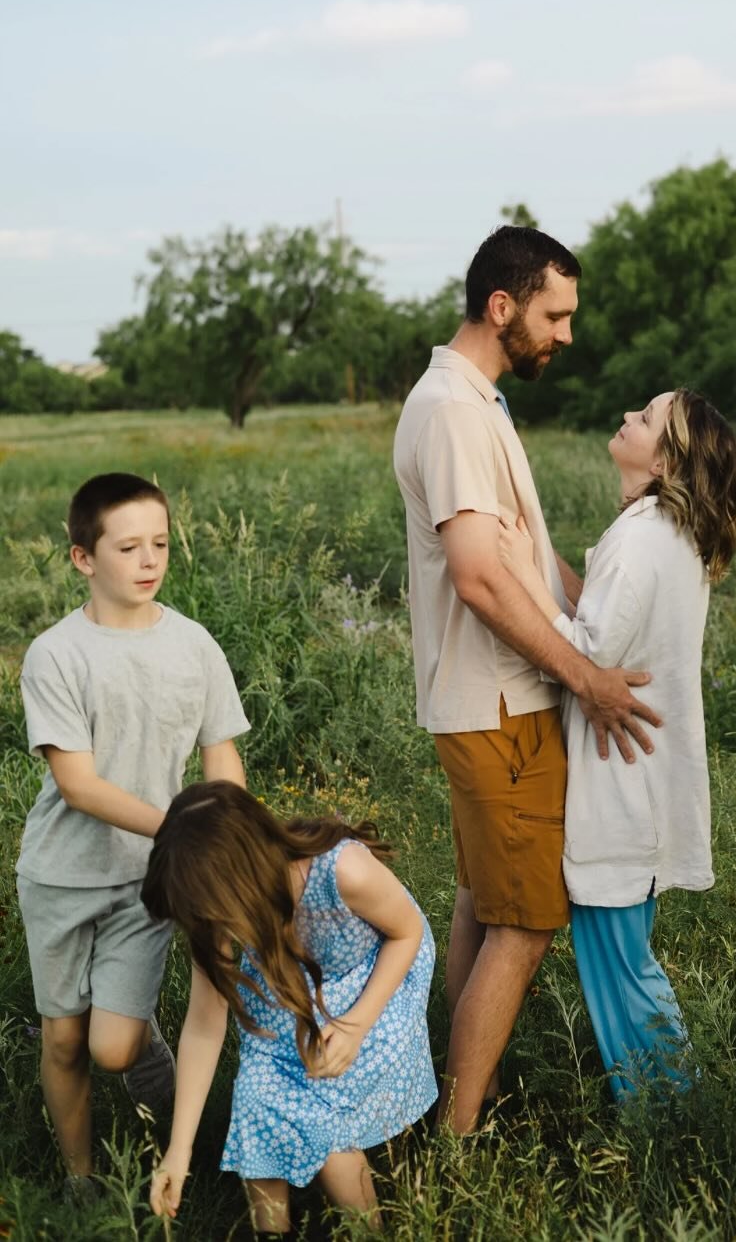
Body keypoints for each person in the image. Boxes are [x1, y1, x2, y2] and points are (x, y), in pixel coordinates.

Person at [392, 224, 662, 1132]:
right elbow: (475, 577)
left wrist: (623, 608)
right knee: (526, 922)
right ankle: (457, 1138)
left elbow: (526, 572)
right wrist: (585, 676)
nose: (567, 335)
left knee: (485, 902)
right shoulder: (457, 413)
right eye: (556, 315)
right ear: (502, 306)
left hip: (499, 700)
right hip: (497, 704)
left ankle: (459, 1096)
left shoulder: (478, 403)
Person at [498, 388, 736, 1098]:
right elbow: (593, 608)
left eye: (646, 417)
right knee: (628, 960)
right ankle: (670, 1109)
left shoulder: (642, 538)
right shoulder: (658, 529)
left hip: (621, 781)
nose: (629, 415)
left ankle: (673, 1118)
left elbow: (588, 650)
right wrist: (538, 561)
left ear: (665, 455)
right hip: (643, 781)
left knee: (623, 971)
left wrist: (516, 571)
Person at [15, 472, 249, 1197]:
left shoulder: (194, 644)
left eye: (160, 544)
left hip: (149, 878)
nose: (150, 561)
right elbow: (78, 785)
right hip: (60, 876)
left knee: (112, 1048)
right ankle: (84, 1181)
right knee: (63, 1040)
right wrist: (184, 825)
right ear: (84, 557)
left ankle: (180, 1145)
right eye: (128, 547)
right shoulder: (56, 654)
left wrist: (230, 837)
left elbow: (222, 756)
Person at [144, 780, 437, 1235]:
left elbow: (407, 933)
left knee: (322, 1111)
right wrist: (177, 1156)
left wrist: (356, 1025)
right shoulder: (220, 912)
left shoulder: (342, 871)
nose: (211, 930)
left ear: (242, 880)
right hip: (291, 984)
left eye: (213, 916)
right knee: (257, 1092)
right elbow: (204, 1027)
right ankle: (273, 1230)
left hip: (377, 980)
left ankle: (368, 1231)